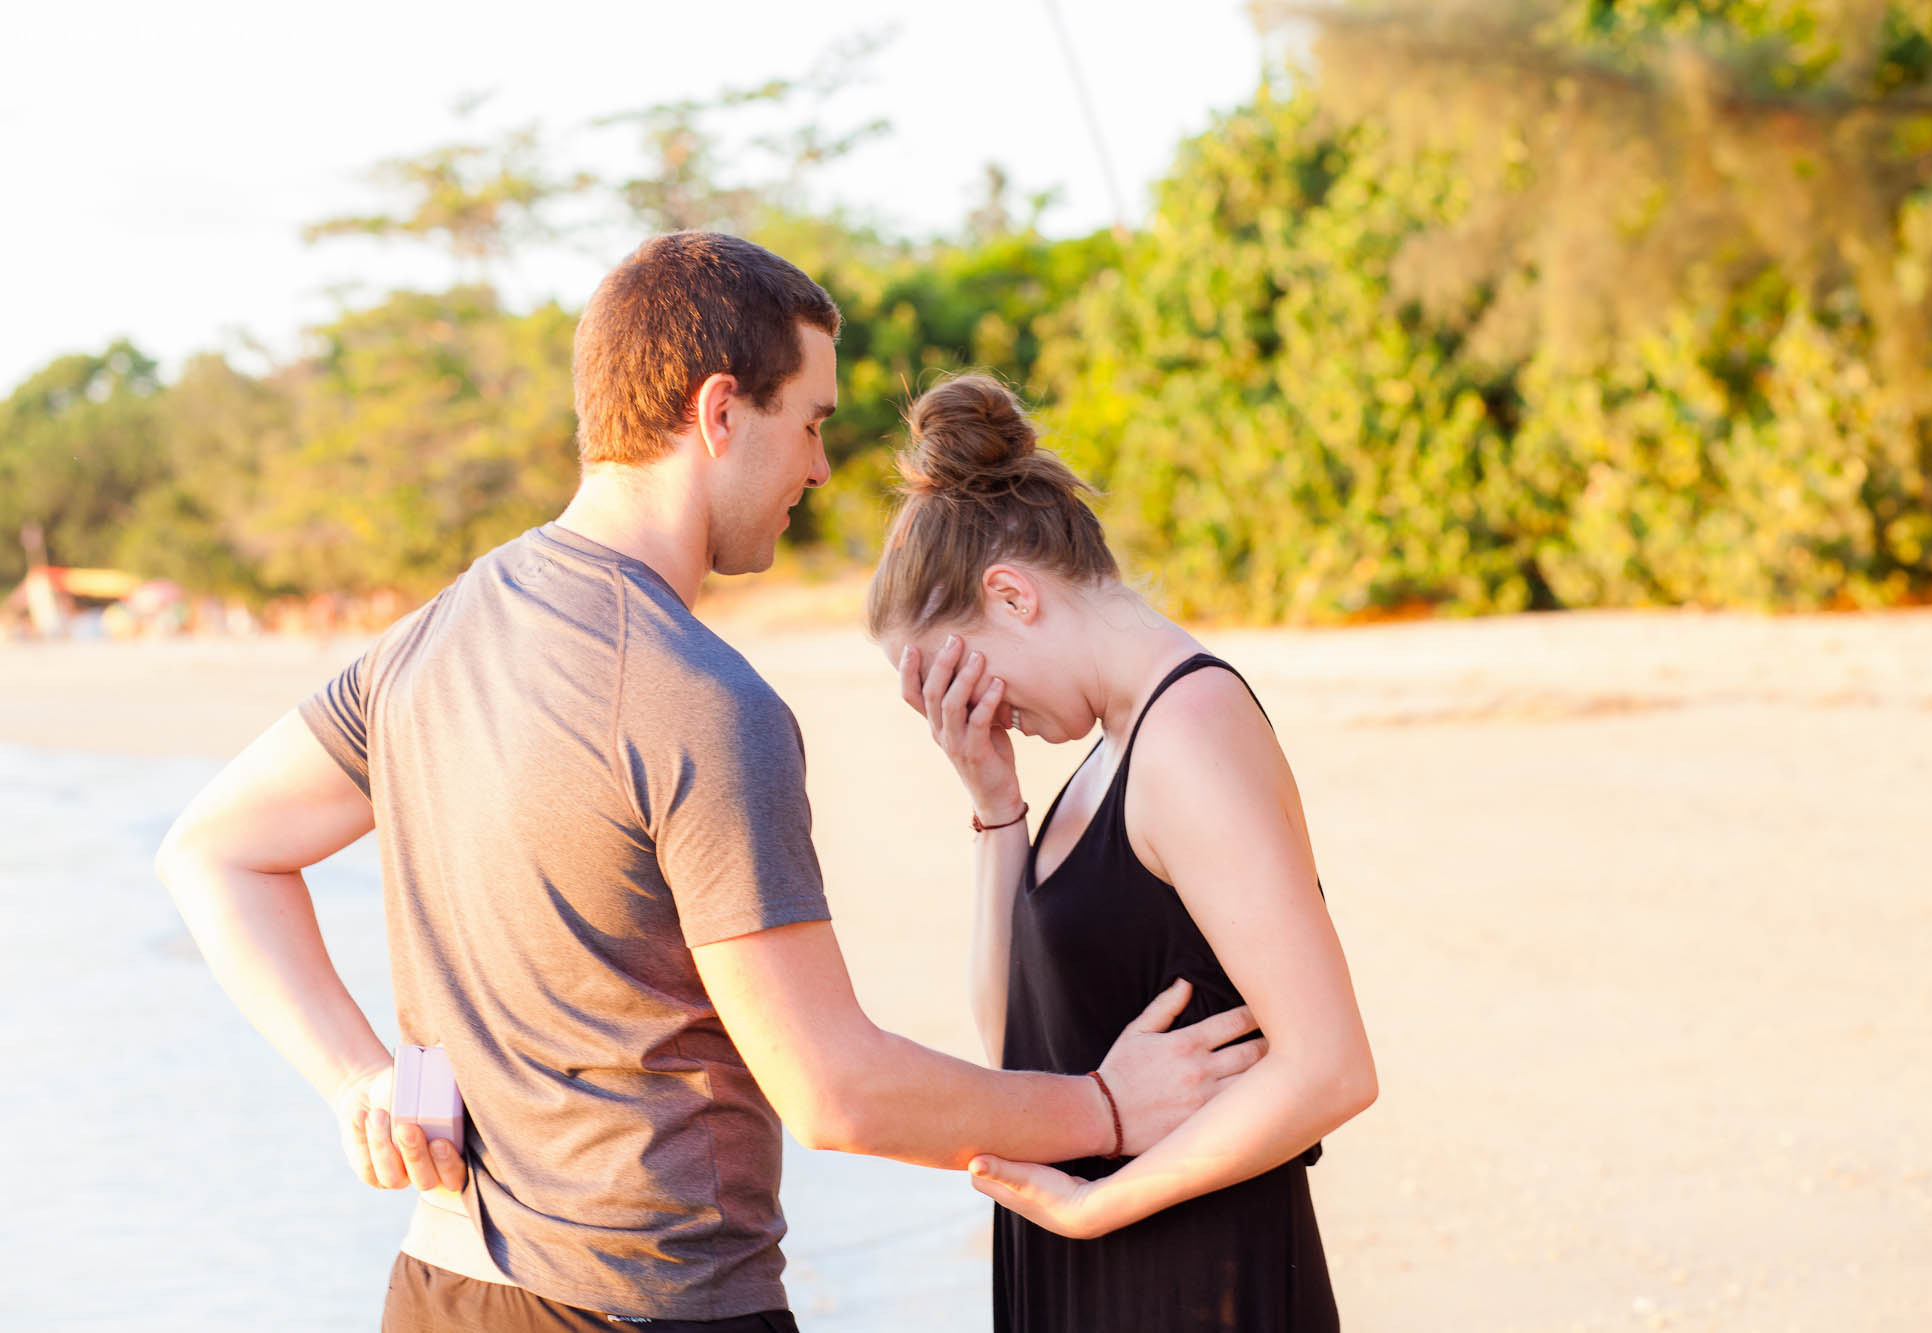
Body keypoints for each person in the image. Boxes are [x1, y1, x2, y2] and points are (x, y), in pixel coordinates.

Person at [153, 233, 1262, 1332]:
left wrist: (356, 1076)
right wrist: (1103, 1106)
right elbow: (834, 1090)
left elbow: (214, 849)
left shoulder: (429, 642)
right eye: (811, 423)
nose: (820, 468)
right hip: (650, 1308)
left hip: (437, 1294)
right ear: (719, 411)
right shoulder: (702, 702)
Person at [867, 373, 1379, 1332]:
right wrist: (995, 804)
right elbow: (1014, 1042)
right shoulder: (1110, 745)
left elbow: (1332, 1066)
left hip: (1184, 1274)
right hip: (1097, 1263)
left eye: (953, 673)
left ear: (1011, 596)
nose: (965, 710)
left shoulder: (1188, 729)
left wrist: (1097, 1203)